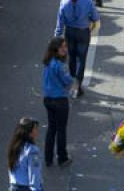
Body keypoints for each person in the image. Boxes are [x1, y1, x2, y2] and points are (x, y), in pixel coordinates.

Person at [55, 0, 99, 98]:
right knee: (82, 60)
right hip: (83, 33)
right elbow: (95, 17)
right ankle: (78, 86)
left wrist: (56, 38)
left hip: (69, 33)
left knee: (72, 58)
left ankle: (72, 82)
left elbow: (60, 24)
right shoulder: (88, 1)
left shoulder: (64, 2)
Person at [42, 37, 72, 168]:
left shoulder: (48, 63)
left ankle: (48, 158)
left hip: (48, 98)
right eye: (62, 47)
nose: (65, 50)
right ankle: (62, 157)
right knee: (61, 130)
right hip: (60, 99)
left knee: (51, 129)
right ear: (56, 49)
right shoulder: (60, 66)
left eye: (65, 47)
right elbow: (67, 81)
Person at [7, 117, 44, 191]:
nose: (37, 132)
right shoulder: (32, 151)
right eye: (35, 129)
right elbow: (34, 176)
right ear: (29, 133)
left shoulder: (13, 147)